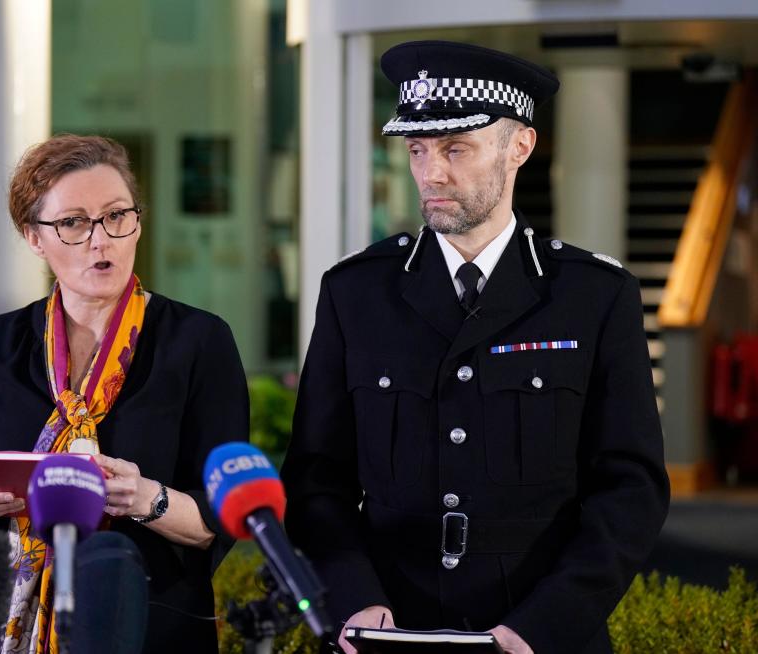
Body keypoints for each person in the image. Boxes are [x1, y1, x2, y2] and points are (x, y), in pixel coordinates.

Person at [281, 40, 670, 654]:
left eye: (456, 148)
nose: (431, 172)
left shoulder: (594, 296)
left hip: (540, 635)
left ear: (520, 147)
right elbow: (315, 482)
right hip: (388, 630)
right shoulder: (356, 294)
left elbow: (631, 491)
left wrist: (542, 626)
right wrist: (357, 601)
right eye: (418, 149)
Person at [0, 134, 249, 654]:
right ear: (34, 237)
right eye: (73, 223)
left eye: (116, 216)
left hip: (152, 625)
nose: (100, 240)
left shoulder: (199, 341)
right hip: (0, 623)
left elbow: (224, 518)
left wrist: (145, 498)